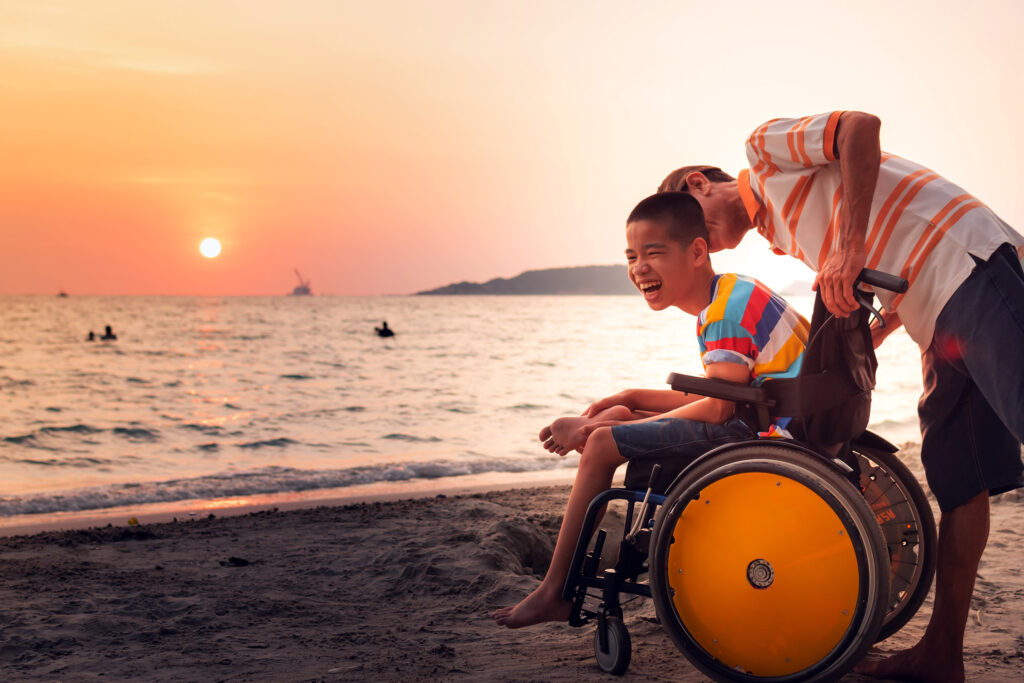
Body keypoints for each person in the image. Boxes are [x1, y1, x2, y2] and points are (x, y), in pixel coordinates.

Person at [658, 111, 1024, 682]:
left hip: (969, 265)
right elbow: (888, 257)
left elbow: (858, 127)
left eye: (689, 221)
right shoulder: (784, 236)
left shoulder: (763, 154)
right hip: (938, 315)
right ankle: (941, 656)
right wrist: (880, 329)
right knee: (959, 477)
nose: (698, 242)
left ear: (699, 184)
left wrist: (848, 247)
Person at [492, 191, 809, 629]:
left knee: (603, 443)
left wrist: (588, 432)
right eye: (631, 256)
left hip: (766, 438)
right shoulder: (732, 293)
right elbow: (727, 396)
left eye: (653, 253)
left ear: (697, 251)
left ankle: (555, 591)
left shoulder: (723, 311)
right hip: (765, 420)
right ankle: (561, 581)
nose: (639, 267)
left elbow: (717, 410)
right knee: (619, 419)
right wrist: (631, 399)